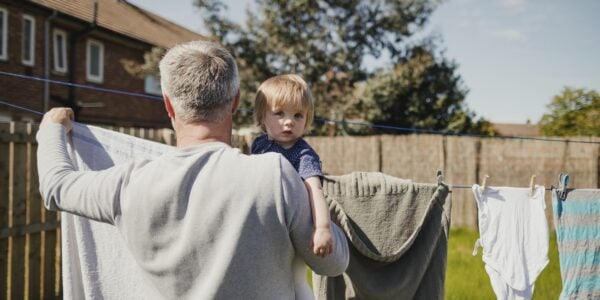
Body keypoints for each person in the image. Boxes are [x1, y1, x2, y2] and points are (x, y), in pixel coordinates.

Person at [36, 40, 349, 299]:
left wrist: (50, 127)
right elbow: (332, 263)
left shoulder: (127, 184)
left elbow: (56, 187)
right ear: (236, 101)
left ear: (169, 106)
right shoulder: (276, 175)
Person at [251, 74, 334, 299]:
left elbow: (315, 190)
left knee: (295, 279)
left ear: (307, 119)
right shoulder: (259, 145)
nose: (289, 121)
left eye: (298, 115)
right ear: (262, 117)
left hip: (294, 228)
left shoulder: (302, 153)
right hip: (265, 224)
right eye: (279, 113)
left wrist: (322, 229)